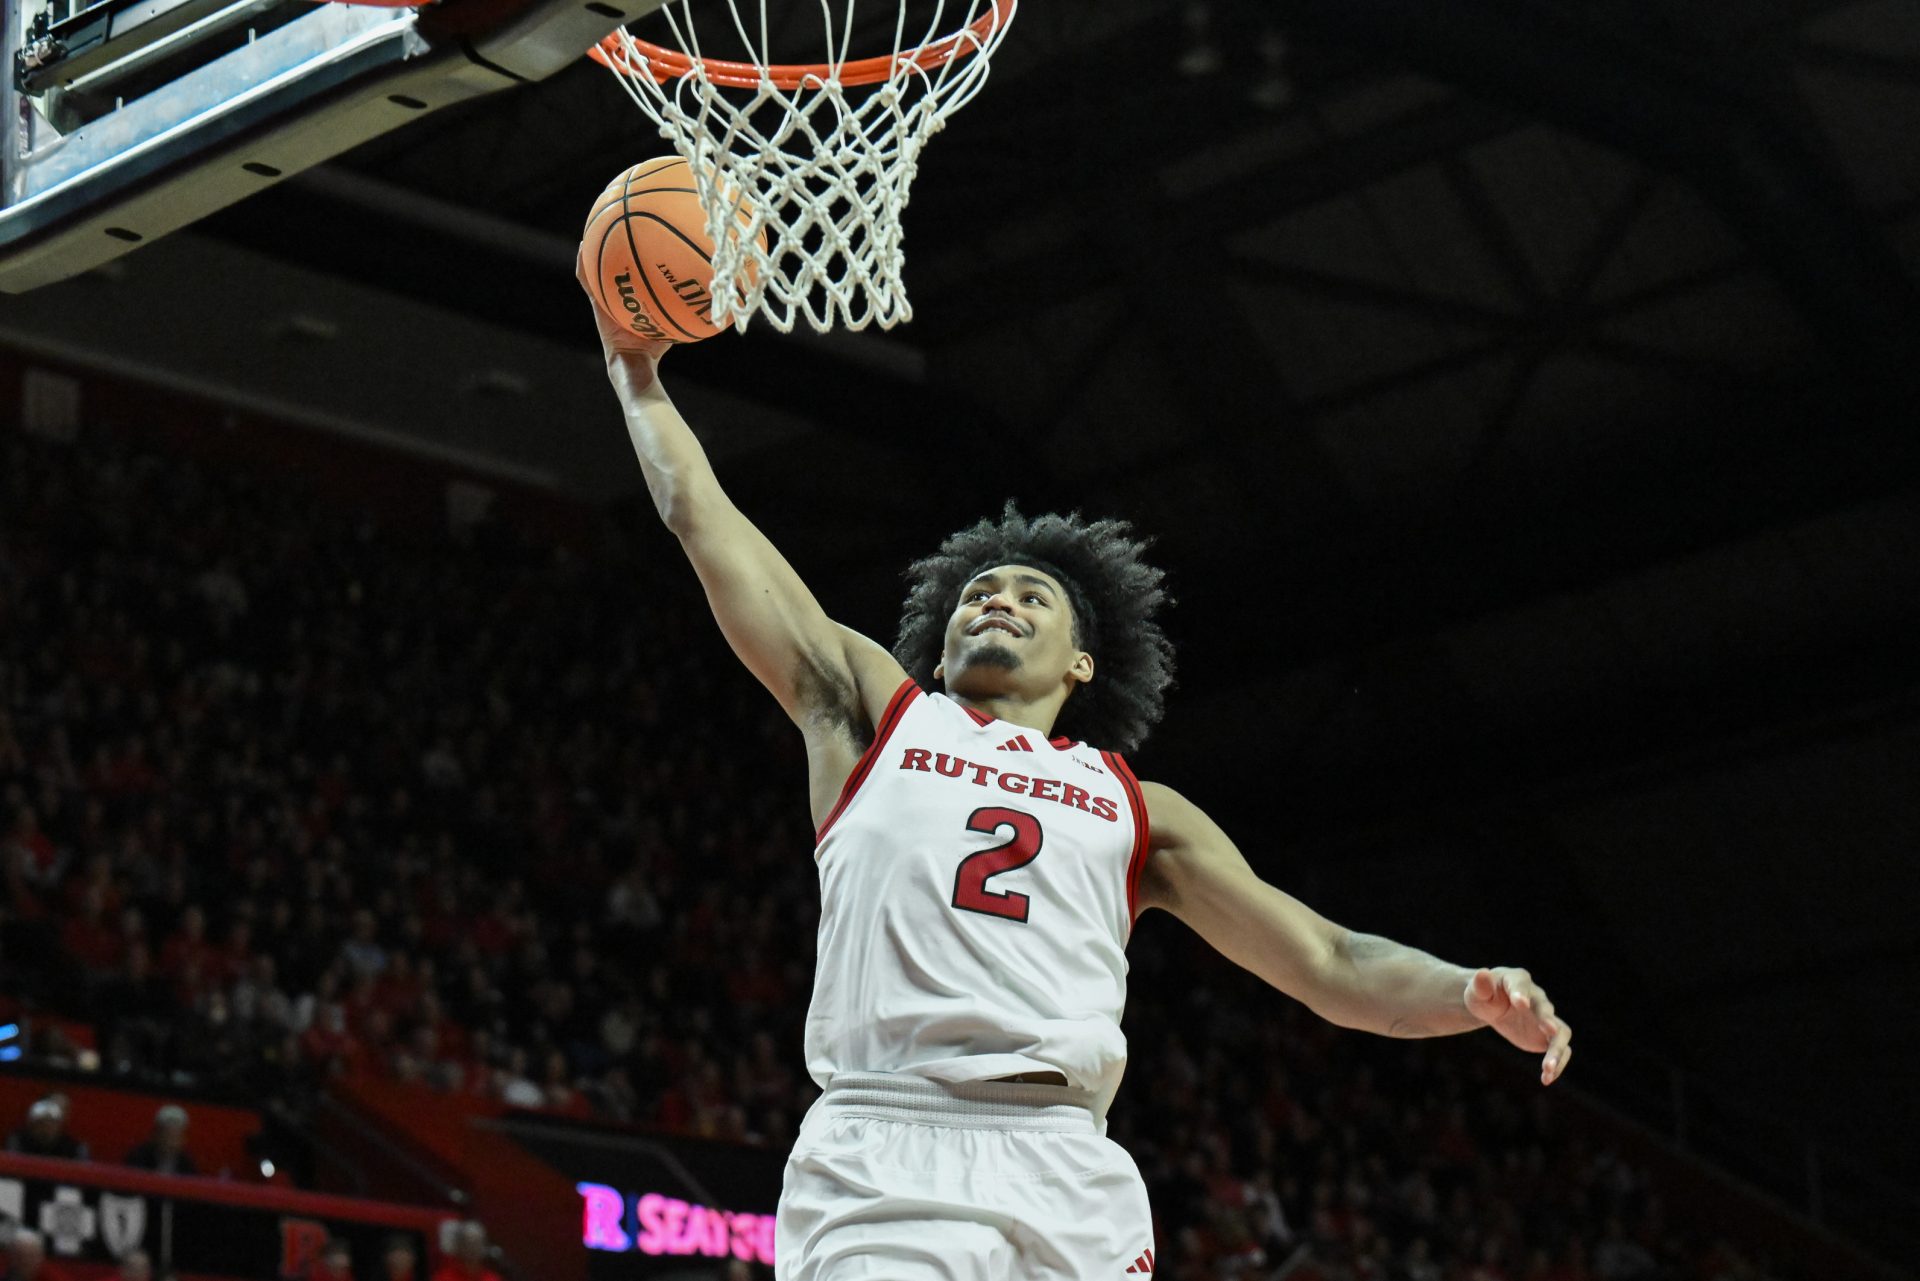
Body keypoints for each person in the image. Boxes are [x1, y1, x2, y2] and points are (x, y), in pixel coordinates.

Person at [578, 265, 1575, 1279]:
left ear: (1082, 661)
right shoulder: (876, 715)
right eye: (976, 594)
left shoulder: (1143, 810)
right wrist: (638, 378)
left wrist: (1469, 995)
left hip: (1065, 1160)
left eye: (1028, 595)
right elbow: (708, 524)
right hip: (889, 1138)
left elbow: (1330, 963)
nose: (994, 600)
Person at [123, 1105, 197, 1176]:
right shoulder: (138, 1158)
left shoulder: (186, 1165)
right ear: (156, 1135)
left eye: (176, 1138)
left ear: (183, 1140)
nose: (170, 1143)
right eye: (167, 1136)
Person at [5, 1097, 87, 1160]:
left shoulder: (72, 1147)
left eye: (51, 1123)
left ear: (59, 1125)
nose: (46, 1128)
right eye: (41, 1123)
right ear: (32, 1125)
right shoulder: (19, 1140)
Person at [428, 1222, 501, 1281]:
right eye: (469, 1244)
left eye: (477, 1244)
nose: (473, 1249)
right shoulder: (442, 1278)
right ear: (459, 1247)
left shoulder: (492, 1279)